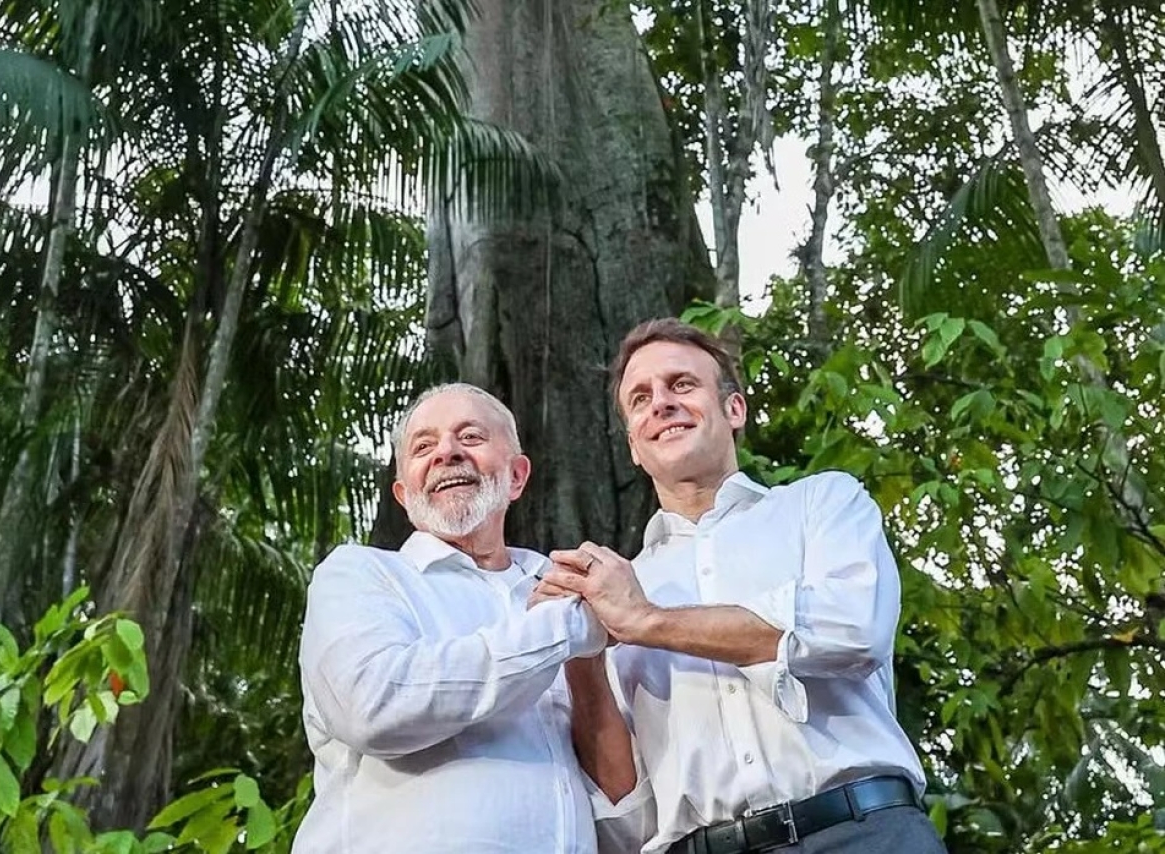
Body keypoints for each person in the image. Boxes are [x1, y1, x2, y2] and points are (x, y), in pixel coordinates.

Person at [539, 319, 947, 854]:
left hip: (866, 832)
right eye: (640, 399)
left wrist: (650, 622)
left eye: (682, 385)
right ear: (635, 446)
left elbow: (852, 629)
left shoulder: (821, 503)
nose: (661, 403)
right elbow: (628, 815)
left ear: (734, 410)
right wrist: (581, 657)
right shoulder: (620, 587)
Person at [294, 383, 611, 853]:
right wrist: (564, 628)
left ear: (517, 476)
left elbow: (611, 770)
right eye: (424, 446)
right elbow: (375, 705)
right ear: (403, 493)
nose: (447, 453)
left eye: (471, 437)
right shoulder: (361, 574)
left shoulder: (565, 587)